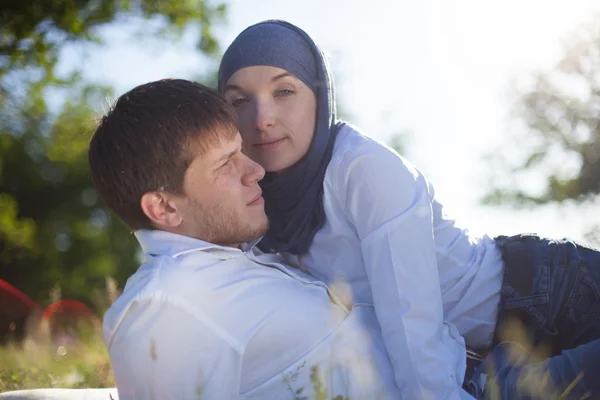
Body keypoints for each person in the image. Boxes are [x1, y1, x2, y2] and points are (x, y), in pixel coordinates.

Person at [217, 19, 600, 399]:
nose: (262, 118)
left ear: (318, 97)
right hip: (483, 357)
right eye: (239, 101)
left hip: (549, 293)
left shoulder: (362, 170)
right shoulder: (252, 200)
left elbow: (411, 327)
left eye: (284, 90)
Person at [89, 79, 404, 399]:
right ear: (165, 207)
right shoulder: (167, 302)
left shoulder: (248, 255)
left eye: (240, 150)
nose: (255, 170)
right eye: (225, 163)